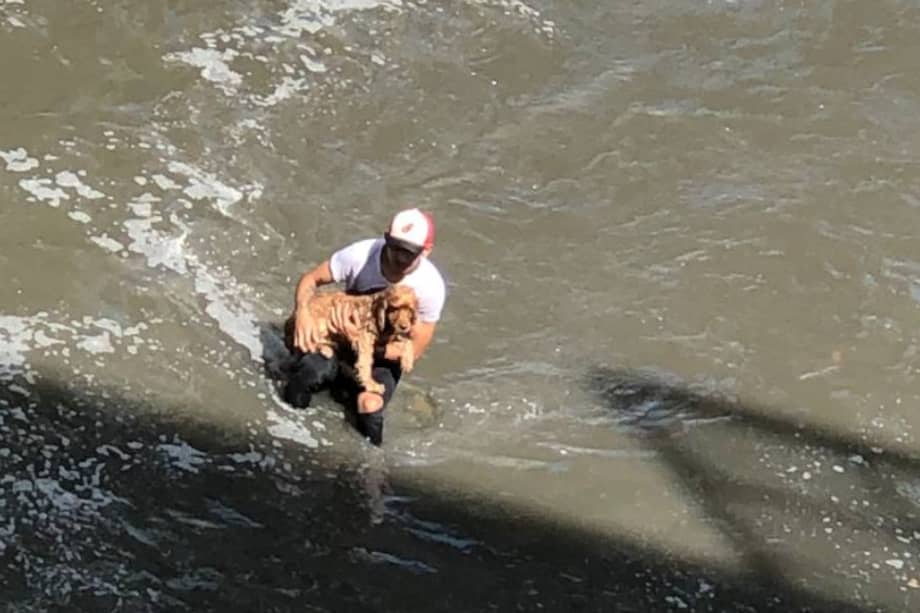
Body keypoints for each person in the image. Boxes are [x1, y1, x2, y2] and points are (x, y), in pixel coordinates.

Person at [284, 208, 447, 445]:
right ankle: (287, 438)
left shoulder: (430, 287)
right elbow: (311, 280)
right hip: (334, 339)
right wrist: (302, 313)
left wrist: (361, 342)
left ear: (426, 251)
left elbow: (413, 351)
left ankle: (370, 466)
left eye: (408, 252)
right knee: (308, 375)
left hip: (380, 355)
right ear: (386, 238)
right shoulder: (360, 254)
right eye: (394, 246)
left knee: (370, 406)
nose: (399, 257)